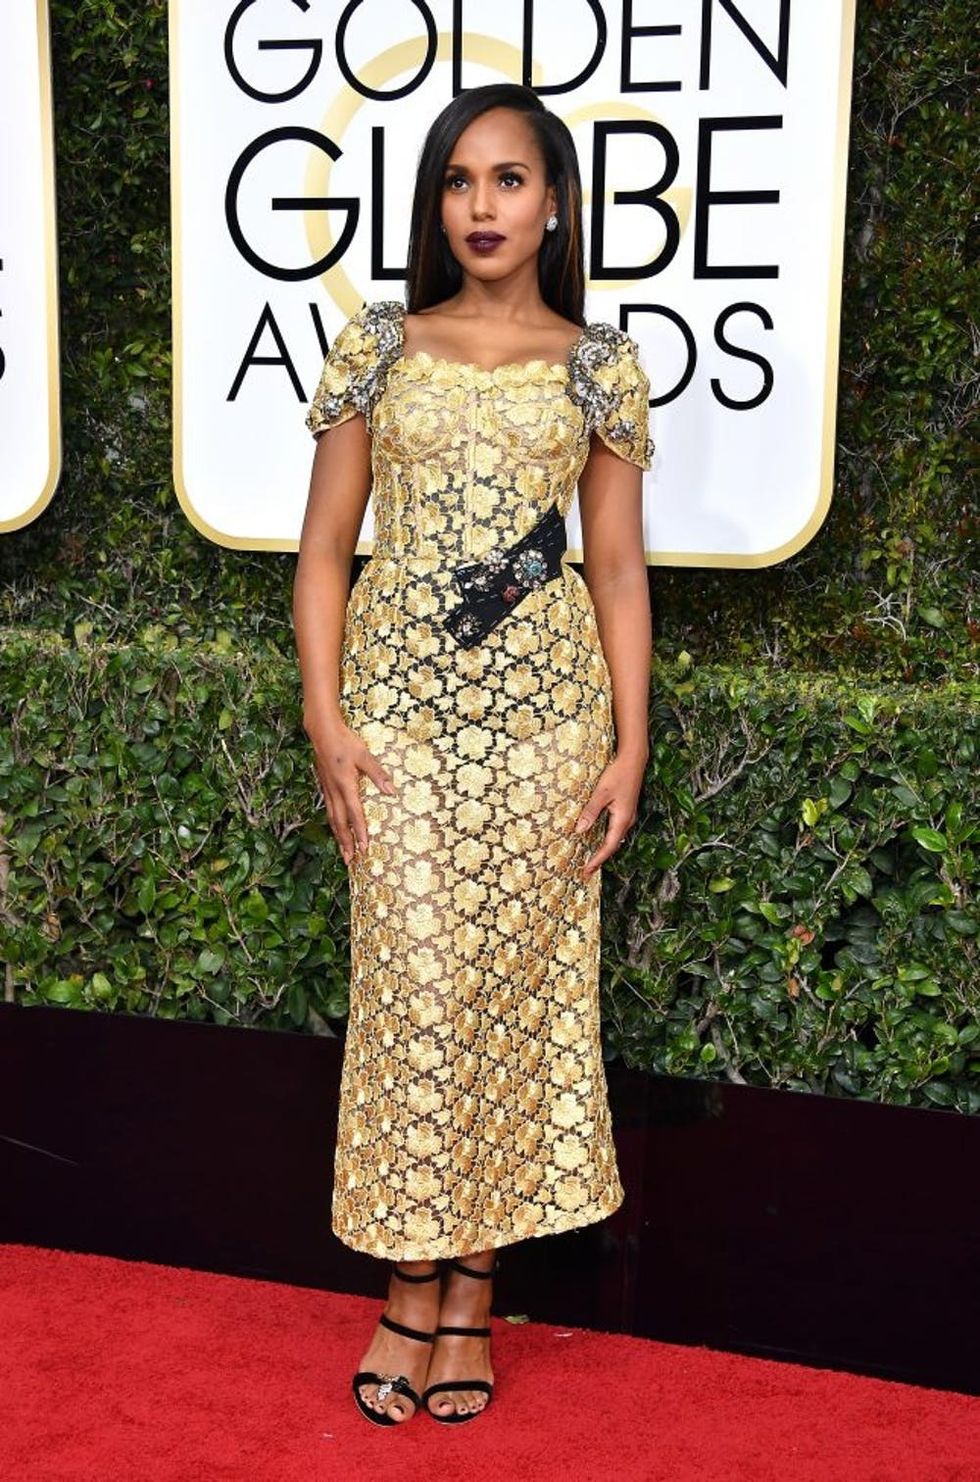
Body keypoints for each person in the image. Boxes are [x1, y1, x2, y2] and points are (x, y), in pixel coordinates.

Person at [293, 81, 654, 1428]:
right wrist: (328, 717)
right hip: (393, 726)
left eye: (509, 180)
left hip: (546, 730)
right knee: (414, 995)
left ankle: (470, 1297)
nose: (484, 205)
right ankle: (403, 1277)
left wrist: (628, 744)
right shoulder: (378, 345)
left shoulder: (597, 363)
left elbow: (615, 566)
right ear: (434, 203)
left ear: (553, 201)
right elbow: (327, 547)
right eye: (460, 181)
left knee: (511, 998)